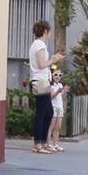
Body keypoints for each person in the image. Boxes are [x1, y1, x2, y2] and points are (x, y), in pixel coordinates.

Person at [28, 19, 65, 154]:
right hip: (40, 81)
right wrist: (54, 60)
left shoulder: (37, 45)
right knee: (42, 113)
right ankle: (38, 144)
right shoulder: (40, 45)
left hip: (42, 81)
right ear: (45, 31)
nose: (50, 34)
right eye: (49, 31)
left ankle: (43, 142)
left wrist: (53, 58)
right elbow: (42, 64)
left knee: (48, 112)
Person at [48, 67, 67, 151]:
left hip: (59, 107)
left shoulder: (60, 85)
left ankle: (55, 144)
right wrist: (57, 92)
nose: (58, 76)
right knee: (51, 126)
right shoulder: (50, 86)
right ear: (52, 75)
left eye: (60, 75)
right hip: (53, 107)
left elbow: (63, 98)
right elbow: (51, 97)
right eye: (56, 74)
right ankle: (49, 144)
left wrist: (64, 92)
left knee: (58, 127)